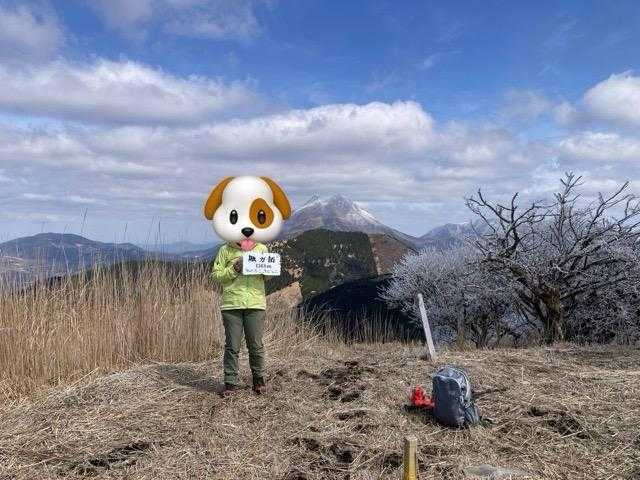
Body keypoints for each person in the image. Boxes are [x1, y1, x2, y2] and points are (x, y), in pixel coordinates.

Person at [204, 175, 291, 396]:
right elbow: (217, 276)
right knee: (232, 346)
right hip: (231, 304)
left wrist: (266, 269)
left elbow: (268, 278)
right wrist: (234, 269)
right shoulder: (225, 250)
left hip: (255, 303)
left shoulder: (261, 249)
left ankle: (259, 381)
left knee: (256, 345)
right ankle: (230, 383)